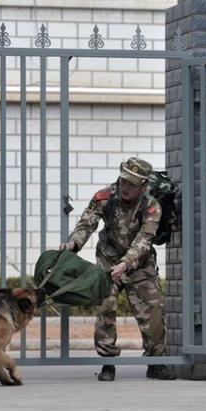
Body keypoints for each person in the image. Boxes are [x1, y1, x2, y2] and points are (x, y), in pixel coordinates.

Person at [59, 157, 176, 381]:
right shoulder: (104, 197)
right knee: (105, 306)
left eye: (132, 183)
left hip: (139, 264)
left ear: (144, 186)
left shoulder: (151, 206)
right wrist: (73, 243)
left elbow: (144, 240)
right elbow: (86, 224)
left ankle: (155, 361)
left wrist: (126, 264)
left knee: (154, 312)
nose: (126, 187)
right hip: (108, 259)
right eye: (124, 181)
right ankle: (108, 362)